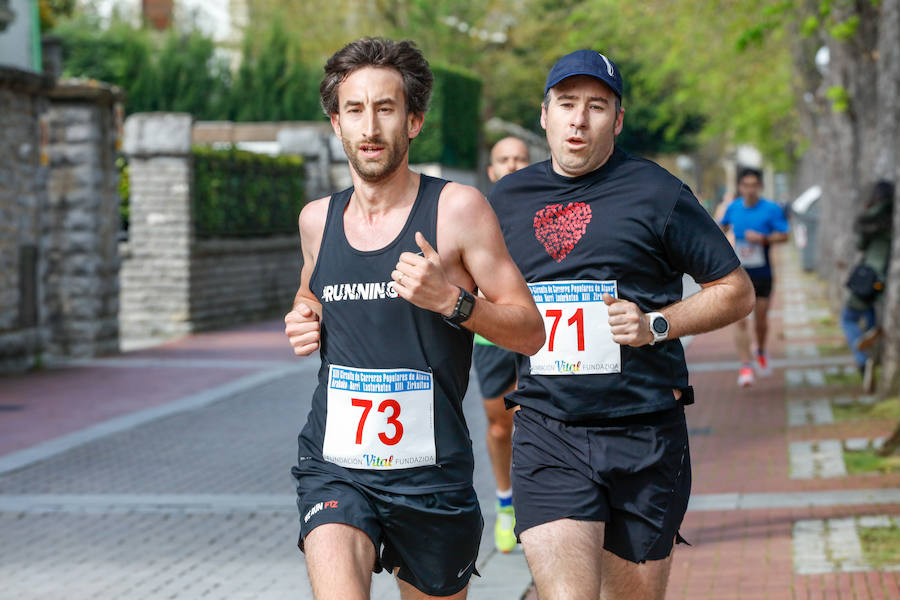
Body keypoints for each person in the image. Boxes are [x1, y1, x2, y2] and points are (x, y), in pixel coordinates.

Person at [283, 38, 545, 600]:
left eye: (386, 108)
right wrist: (304, 315)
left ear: (414, 120)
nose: (370, 127)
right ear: (336, 123)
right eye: (354, 110)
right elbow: (312, 293)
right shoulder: (316, 220)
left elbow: (530, 329)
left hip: (431, 474)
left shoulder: (458, 210)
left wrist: (452, 301)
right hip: (336, 465)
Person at [488, 49, 755, 600]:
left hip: (644, 433)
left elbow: (735, 291)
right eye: (566, 105)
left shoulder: (657, 193)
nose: (579, 120)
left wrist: (655, 324)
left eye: (596, 106)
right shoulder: (506, 200)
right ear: (545, 115)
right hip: (547, 429)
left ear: (618, 119)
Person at [473, 136, 531, 553]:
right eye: (504, 160)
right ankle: (506, 500)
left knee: (540, 417)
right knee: (500, 423)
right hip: (490, 334)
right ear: (492, 170)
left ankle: (540, 506)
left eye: (520, 159)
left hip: (541, 330)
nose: (512, 165)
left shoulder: (548, 209)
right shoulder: (476, 215)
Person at [718, 168, 790, 387]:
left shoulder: (771, 209)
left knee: (760, 321)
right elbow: (720, 227)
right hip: (740, 274)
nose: (749, 189)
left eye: (753, 185)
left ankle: (760, 350)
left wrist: (764, 238)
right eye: (745, 185)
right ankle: (745, 366)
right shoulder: (734, 207)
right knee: (740, 321)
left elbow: (785, 235)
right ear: (740, 187)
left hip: (763, 273)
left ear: (759, 187)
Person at [840, 180, 894, 382]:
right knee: (870, 314)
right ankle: (874, 355)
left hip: (871, 274)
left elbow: (861, 242)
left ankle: (864, 362)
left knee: (848, 318)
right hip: (887, 277)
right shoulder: (893, 213)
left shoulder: (874, 215)